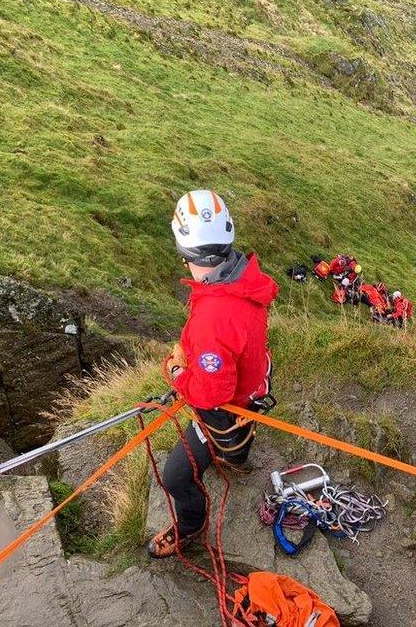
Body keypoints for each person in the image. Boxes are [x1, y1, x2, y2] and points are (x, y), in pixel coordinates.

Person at [149, 189, 279, 558]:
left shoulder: (212, 318)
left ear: (183, 247)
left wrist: (177, 372)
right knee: (238, 437)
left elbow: (211, 395)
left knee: (175, 476)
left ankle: (190, 526)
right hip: (254, 386)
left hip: (228, 404)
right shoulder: (245, 280)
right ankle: (235, 458)